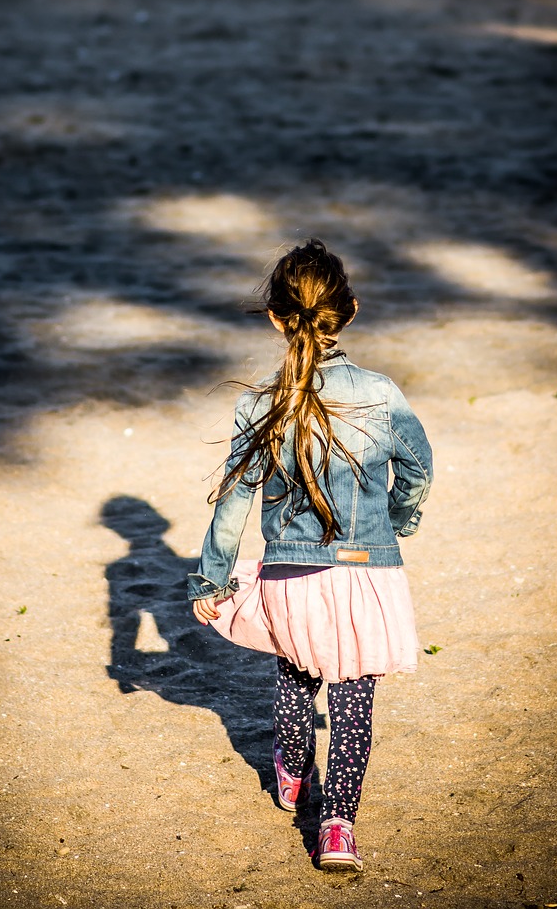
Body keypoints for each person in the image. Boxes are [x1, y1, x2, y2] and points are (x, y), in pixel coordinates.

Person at [187, 239, 433, 872]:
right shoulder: (380, 393)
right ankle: (338, 828)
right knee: (354, 696)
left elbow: (234, 503)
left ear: (276, 318)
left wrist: (211, 579)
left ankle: (291, 775)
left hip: (290, 576)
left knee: (296, 671)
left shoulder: (261, 403)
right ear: (348, 311)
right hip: (367, 572)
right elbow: (417, 468)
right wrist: (397, 522)